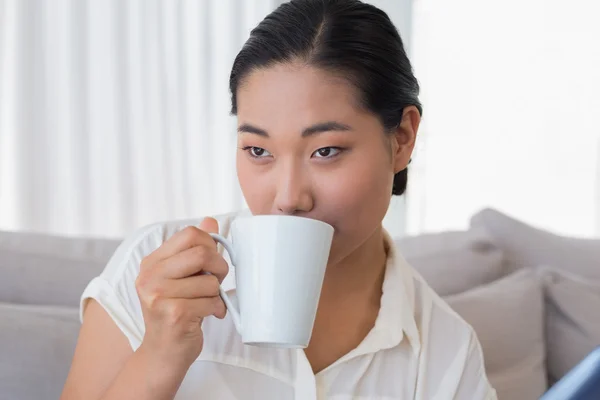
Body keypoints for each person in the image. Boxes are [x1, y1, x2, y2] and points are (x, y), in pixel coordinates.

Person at [61, 0, 497, 399]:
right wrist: (159, 354)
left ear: (401, 138)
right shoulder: (150, 272)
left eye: (325, 151)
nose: (289, 199)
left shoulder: (447, 353)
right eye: (258, 151)